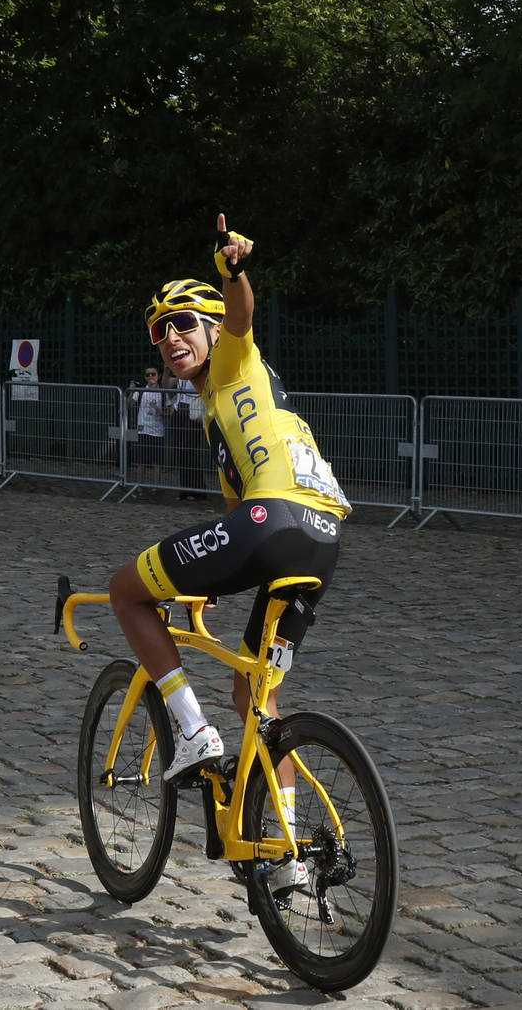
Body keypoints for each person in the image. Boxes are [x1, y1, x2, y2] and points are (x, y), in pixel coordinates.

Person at [109, 213, 350, 894]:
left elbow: (241, 314)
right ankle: (287, 858)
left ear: (213, 330)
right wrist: (203, 582)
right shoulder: (222, 405)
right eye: (160, 330)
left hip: (269, 522)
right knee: (257, 697)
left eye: (184, 322)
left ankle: (191, 732)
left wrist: (232, 271)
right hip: (321, 538)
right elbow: (229, 524)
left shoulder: (236, 358)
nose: (170, 337)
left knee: (126, 591)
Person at [161, 365, 205, 499]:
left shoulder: (199, 371)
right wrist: (167, 370)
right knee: (180, 451)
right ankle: (185, 488)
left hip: (193, 413)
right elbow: (166, 385)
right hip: (179, 412)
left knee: (190, 451)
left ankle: (197, 490)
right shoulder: (180, 373)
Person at [127, 365, 164, 489]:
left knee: (157, 462)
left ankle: (156, 487)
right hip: (142, 430)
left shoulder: (163, 392)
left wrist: (161, 412)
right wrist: (131, 390)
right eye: (148, 375)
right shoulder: (141, 391)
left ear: (158, 376)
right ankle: (139, 485)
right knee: (141, 461)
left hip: (157, 431)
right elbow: (129, 405)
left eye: (153, 374)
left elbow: (169, 410)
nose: (150, 377)